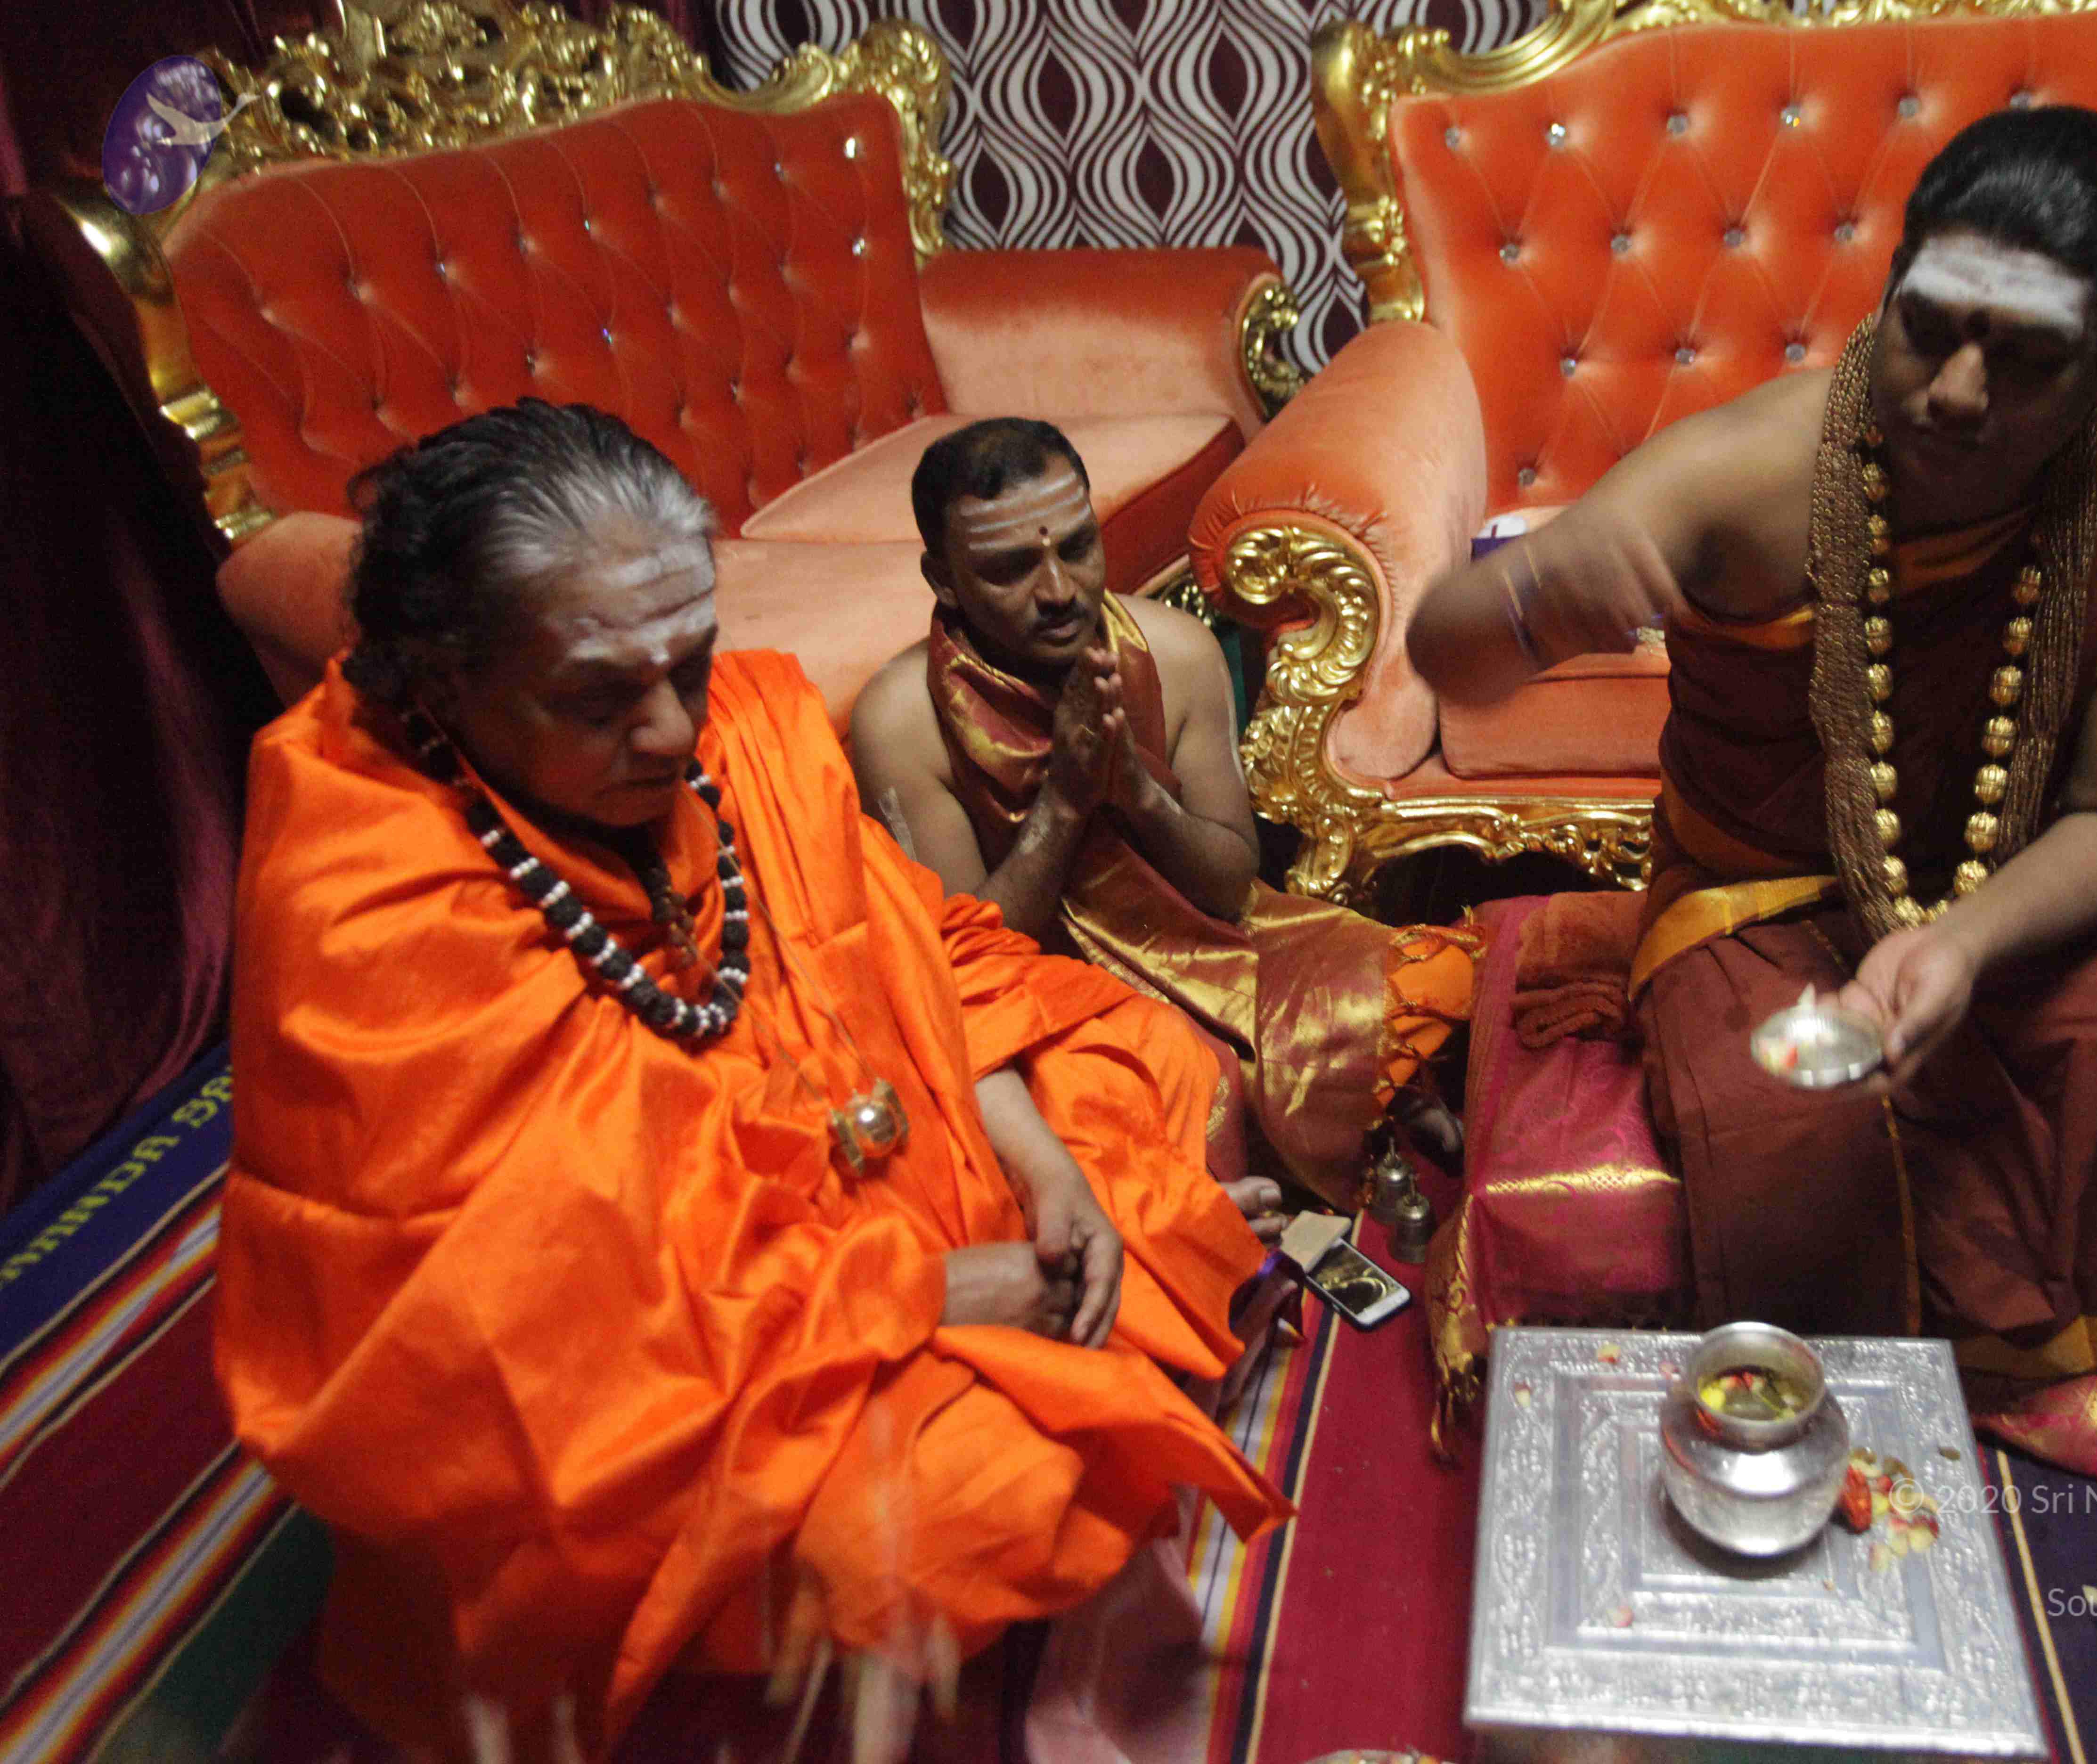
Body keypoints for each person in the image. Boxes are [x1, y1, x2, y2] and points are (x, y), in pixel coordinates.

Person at [216, 400, 1292, 1759]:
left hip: (873, 1176)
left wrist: (1041, 1169)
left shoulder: (745, 728)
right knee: (946, 1513)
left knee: (1150, 1063)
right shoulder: (363, 890)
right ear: (441, 679)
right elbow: (539, 1306)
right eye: (601, 699)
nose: (674, 730)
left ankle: (1081, 1314)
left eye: (692, 660)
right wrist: (928, 1292)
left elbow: (921, 951)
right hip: (673, 1357)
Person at [1406, 108, 2097, 1393]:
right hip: (1752, 896)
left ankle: (2011, 1368)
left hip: (2007, 886)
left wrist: (1963, 944)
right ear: (1891, 286)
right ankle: (1847, 1416)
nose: (1957, 392)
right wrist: (1531, 599)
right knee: (1795, 1127)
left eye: (2030, 356)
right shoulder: (1746, 472)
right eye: (1930, 326)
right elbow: (1446, 656)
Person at [849, 419, 1482, 1218]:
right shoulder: (902, 723)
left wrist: (1138, 794)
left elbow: (1229, 888)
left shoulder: (1175, 651)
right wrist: (1065, 801)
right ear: (943, 581)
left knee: (1410, 981)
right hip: (1056, 998)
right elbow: (973, 969)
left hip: (1215, 944)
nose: (1060, 591)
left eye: (1077, 547)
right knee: (1182, 1081)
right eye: (1011, 569)